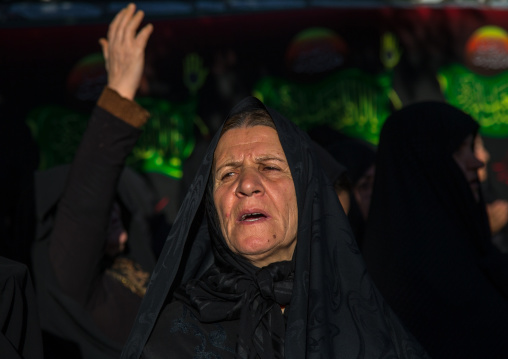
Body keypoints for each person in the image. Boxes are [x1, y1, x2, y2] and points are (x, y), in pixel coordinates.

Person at [109, 6, 429, 355]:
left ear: (308, 195)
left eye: (270, 167)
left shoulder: (365, 320)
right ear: (212, 210)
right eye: (228, 173)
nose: (247, 184)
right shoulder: (175, 336)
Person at [31, 4, 156, 358]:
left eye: (116, 204)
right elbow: (87, 198)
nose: (111, 210)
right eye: (105, 209)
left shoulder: (133, 254)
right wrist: (118, 92)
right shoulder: (69, 276)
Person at [362, 101, 508, 358]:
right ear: (426, 159)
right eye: (458, 150)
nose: (476, 162)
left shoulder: (472, 252)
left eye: (471, 147)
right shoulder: (401, 283)